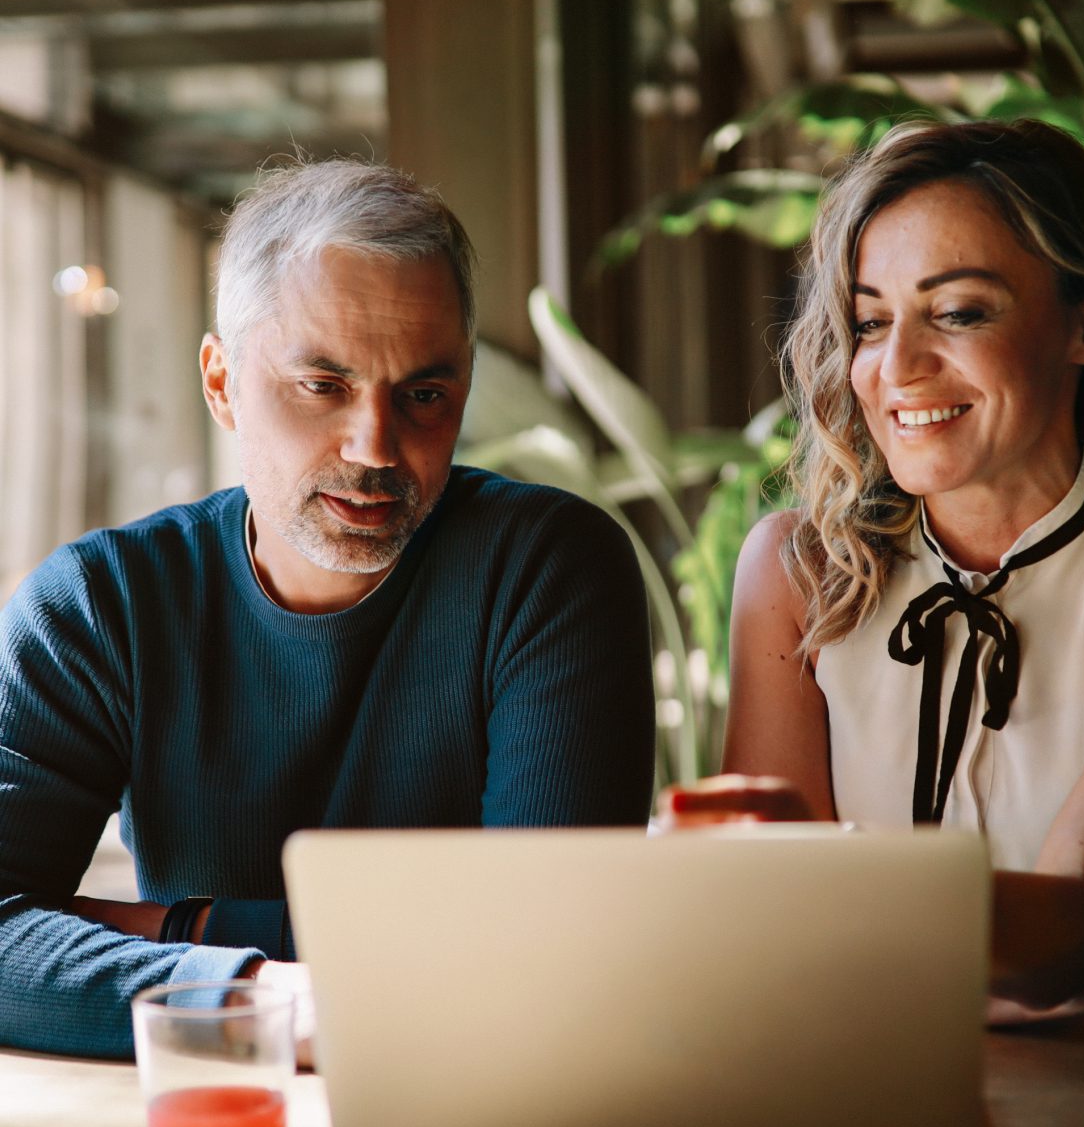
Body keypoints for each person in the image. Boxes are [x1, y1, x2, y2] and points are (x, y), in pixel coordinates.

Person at [0, 160, 656, 1059]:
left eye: (425, 394)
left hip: (485, 1100)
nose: (376, 446)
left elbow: (547, 940)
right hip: (214, 1114)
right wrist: (260, 996)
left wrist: (179, 926)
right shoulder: (100, 604)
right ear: (221, 382)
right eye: (323, 385)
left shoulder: (546, 567)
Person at [660, 119, 1084, 1016]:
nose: (898, 367)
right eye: (870, 321)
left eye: (959, 312)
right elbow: (774, 959)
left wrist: (818, 876)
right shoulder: (795, 573)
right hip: (849, 1103)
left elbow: (1071, 926)